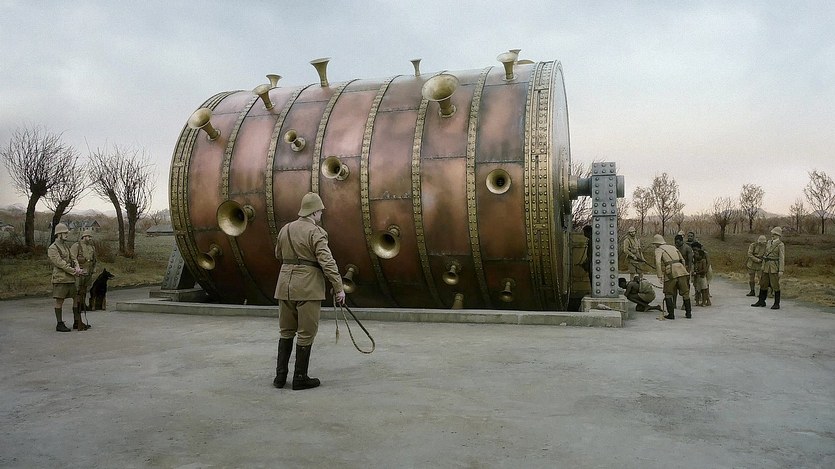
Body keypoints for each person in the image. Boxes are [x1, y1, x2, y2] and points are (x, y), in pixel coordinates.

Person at [273, 192, 346, 390]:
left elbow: (278, 254)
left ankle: (280, 377)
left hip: (285, 286)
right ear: (313, 212)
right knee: (306, 333)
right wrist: (338, 287)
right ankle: (300, 377)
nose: (321, 214)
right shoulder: (316, 232)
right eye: (320, 211)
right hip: (307, 287)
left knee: (286, 331)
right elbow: (327, 261)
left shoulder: (285, 229)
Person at [47, 223, 85, 332]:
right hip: (60, 279)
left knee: (76, 298)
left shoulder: (66, 246)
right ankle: (59, 324)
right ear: (59, 234)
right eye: (65, 233)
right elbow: (60, 264)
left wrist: (77, 267)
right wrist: (74, 271)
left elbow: (73, 258)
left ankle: (77, 322)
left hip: (71, 278)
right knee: (60, 301)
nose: (67, 235)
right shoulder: (53, 248)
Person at [652, 234, 692, 320]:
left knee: (668, 293)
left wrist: (659, 275)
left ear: (656, 243)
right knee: (685, 293)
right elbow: (683, 260)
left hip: (670, 271)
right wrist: (684, 269)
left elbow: (658, 263)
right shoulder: (673, 247)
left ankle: (671, 314)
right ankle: (688, 313)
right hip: (681, 269)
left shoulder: (658, 250)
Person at [751, 226, 785, 310]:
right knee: (763, 284)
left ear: (778, 235)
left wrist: (781, 270)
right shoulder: (769, 242)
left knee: (775, 285)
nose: (772, 235)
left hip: (774, 266)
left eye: (774, 234)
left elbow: (781, 258)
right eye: (772, 234)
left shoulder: (780, 244)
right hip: (766, 266)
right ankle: (761, 301)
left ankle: (776, 303)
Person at [70, 229, 96, 330]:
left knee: (84, 291)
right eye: (88, 236)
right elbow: (72, 258)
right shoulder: (77, 246)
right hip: (79, 273)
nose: (89, 238)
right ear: (84, 236)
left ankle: (82, 306)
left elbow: (94, 260)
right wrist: (76, 269)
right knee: (77, 294)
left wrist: (93, 270)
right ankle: (77, 319)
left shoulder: (91, 247)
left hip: (88, 272)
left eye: (90, 237)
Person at [674, 234, 695, 305]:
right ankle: (674, 303)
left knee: (685, 286)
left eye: (678, 242)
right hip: (677, 268)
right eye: (675, 242)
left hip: (685, 268)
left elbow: (690, 261)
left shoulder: (687, 248)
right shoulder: (674, 248)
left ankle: (684, 303)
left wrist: (688, 271)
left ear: (681, 241)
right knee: (674, 285)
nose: (676, 244)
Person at [691, 241, 711, 306]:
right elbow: (694, 264)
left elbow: (708, 264)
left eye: (695, 249)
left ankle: (707, 300)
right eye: (693, 250)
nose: (694, 251)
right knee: (697, 286)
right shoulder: (694, 255)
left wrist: (704, 272)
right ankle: (698, 299)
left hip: (705, 271)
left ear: (699, 248)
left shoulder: (705, 254)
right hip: (698, 273)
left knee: (705, 286)